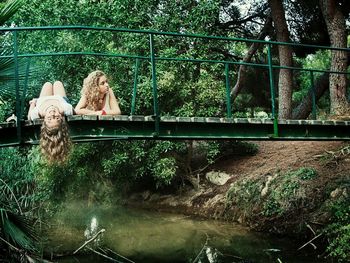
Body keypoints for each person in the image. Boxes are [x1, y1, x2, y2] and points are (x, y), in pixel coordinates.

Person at [27, 81, 73, 163]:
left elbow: (29, 116)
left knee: (47, 84)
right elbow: (71, 110)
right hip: (60, 98)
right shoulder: (66, 109)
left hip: (43, 100)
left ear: (44, 120)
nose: (52, 113)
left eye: (49, 118)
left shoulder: (37, 113)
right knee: (57, 83)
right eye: (56, 117)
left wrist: (33, 103)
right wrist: (62, 110)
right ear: (62, 118)